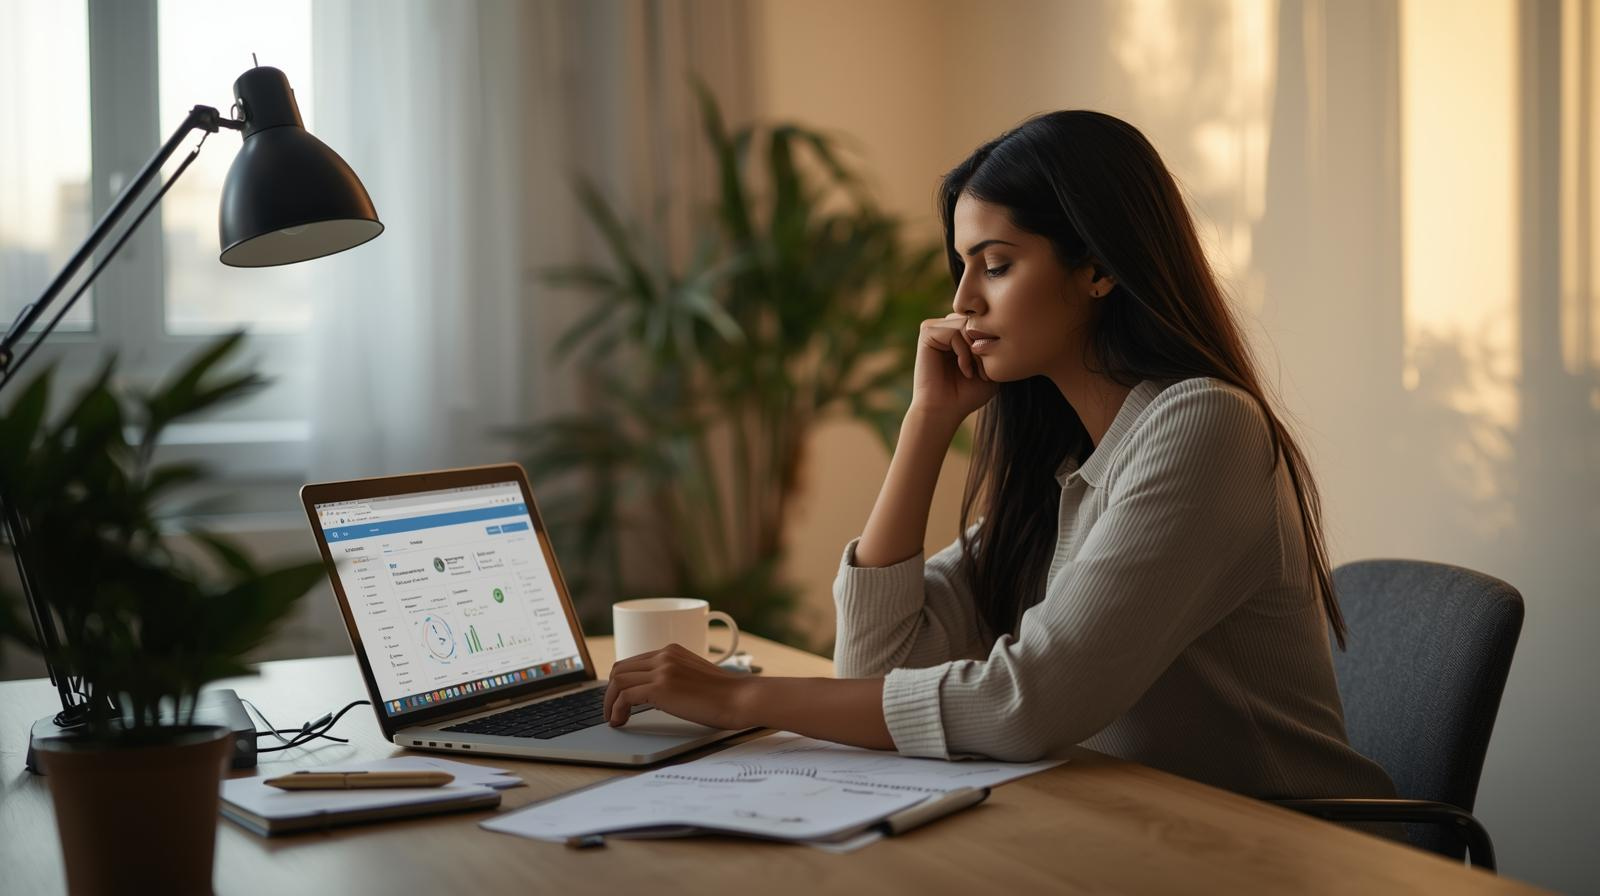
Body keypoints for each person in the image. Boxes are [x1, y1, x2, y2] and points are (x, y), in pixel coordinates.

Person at [602, 111, 1395, 802]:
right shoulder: (1073, 466)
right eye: (963, 267)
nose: (962, 304)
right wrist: (926, 423)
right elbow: (872, 667)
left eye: (998, 263)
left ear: (1097, 268)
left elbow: (1027, 703)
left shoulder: (1204, 426)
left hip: (1287, 849)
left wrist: (745, 700)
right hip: (1148, 834)